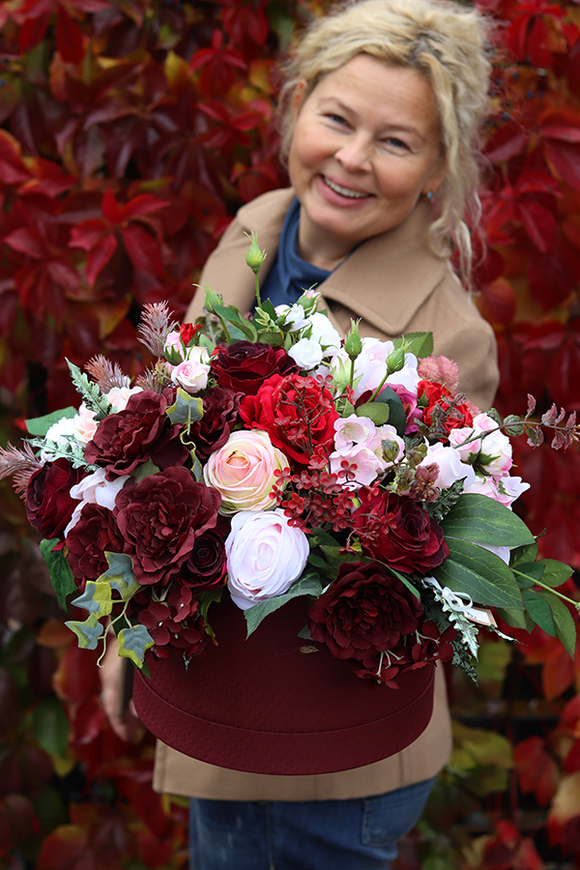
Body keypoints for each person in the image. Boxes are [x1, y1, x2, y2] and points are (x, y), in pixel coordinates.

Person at [104, 1, 499, 867]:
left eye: (396, 142)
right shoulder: (254, 228)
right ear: (298, 108)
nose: (353, 159)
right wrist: (127, 629)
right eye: (337, 119)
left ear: (438, 168)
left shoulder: (445, 339)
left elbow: (415, 567)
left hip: (325, 760)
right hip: (221, 709)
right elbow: (170, 457)